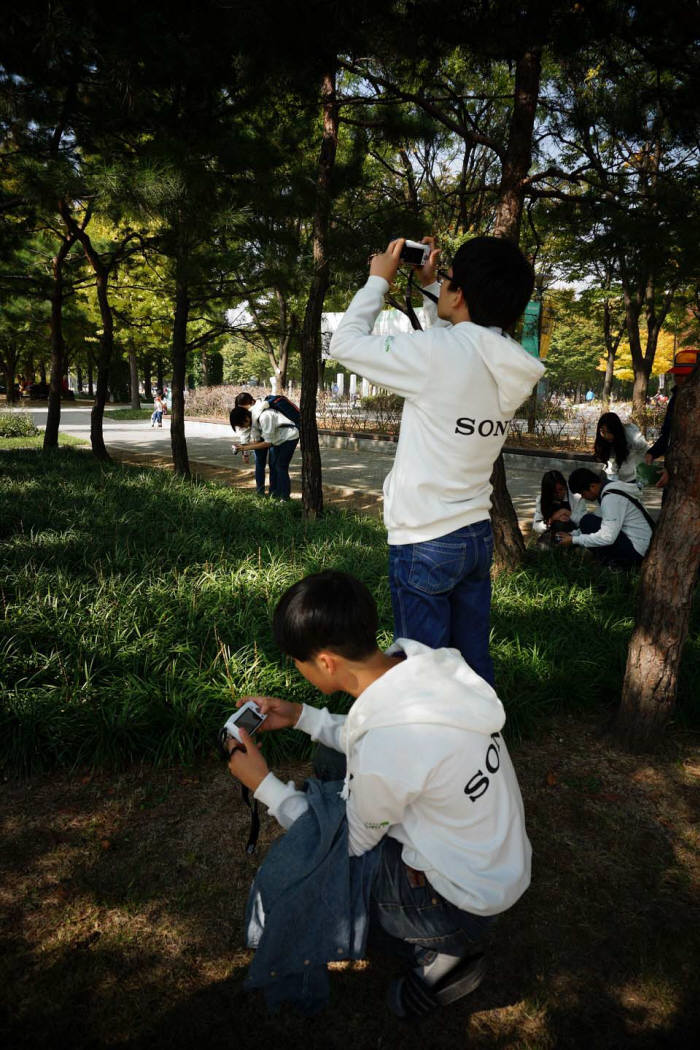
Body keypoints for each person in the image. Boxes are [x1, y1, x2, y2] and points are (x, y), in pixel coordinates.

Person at [227, 570, 531, 1017]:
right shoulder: (424, 665)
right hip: (498, 863)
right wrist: (301, 717)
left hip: (463, 902)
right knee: (335, 764)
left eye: (298, 660)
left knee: (331, 869)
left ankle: (444, 954)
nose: (296, 668)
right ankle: (444, 933)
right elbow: (368, 736)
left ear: (326, 663)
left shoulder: (390, 743)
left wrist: (265, 786)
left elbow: (345, 844)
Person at [329, 236, 544, 687]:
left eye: (447, 280)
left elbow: (345, 345)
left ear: (461, 293)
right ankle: (483, 746)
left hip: (425, 537)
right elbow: (464, 344)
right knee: (471, 664)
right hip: (473, 535)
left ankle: (431, 752)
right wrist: (433, 288)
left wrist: (377, 282)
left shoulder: (440, 355)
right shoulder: (511, 362)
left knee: (424, 674)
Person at [559, 468, 654, 568]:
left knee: (587, 522)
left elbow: (607, 537)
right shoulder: (609, 490)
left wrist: (574, 540)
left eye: (583, 493)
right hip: (641, 545)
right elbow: (601, 519)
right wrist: (571, 535)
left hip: (638, 552)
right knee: (589, 521)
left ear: (592, 486)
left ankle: (616, 564)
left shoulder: (611, 498)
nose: (583, 497)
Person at [645, 349, 698, 492]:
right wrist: (653, 452)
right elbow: (668, 433)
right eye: (677, 374)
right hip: (672, 478)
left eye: (685, 375)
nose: (679, 379)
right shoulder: (676, 398)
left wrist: (676, 470)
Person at [229, 398, 299, 500]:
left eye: (241, 425)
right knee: (274, 465)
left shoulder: (264, 417)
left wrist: (245, 447)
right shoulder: (254, 419)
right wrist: (243, 449)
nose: (243, 428)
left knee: (281, 466)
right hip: (279, 439)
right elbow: (259, 441)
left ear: (246, 418)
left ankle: (285, 497)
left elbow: (267, 443)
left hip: (289, 437)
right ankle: (275, 495)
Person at [593, 411, 648, 485]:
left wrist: (642, 474)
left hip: (634, 478)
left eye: (609, 432)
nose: (606, 436)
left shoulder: (631, 436)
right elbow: (611, 465)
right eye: (602, 432)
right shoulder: (603, 441)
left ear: (616, 430)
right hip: (615, 478)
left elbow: (646, 452)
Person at [231, 392, 268, 496]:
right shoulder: (242, 413)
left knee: (274, 465)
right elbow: (244, 433)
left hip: (271, 437)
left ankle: (274, 492)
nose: (244, 412)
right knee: (260, 465)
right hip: (258, 440)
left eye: (245, 408)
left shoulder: (260, 407)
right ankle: (260, 491)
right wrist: (245, 453)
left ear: (252, 402)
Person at [531, 469, 586, 540]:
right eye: (555, 492)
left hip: (573, 534)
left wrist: (567, 513)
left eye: (562, 489)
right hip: (552, 534)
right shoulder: (542, 500)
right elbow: (536, 526)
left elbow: (584, 522)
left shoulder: (576, 497)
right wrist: (552, 519)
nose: (560, 494)